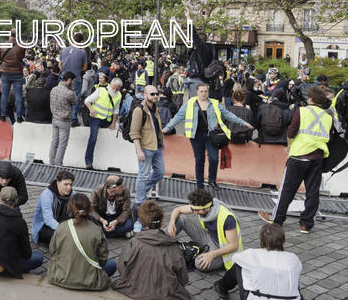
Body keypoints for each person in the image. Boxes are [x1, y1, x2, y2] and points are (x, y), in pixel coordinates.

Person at [259, 85, 333, 234]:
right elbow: (329, 136)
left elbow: (291, 131)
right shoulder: (328, 116)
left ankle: (277, 219)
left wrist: (290, 144)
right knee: (313, 191)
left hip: (299, 155)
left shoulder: (302, 111)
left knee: (287, 189)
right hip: (317, 157)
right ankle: (306, 224)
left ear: (310, 99)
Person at [163, 83, 252, 190]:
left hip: (211, 135)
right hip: (196, 136)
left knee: (214, 158)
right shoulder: (190, 103)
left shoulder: (214, 103)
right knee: (200, 160)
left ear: (208, 92)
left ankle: (212, 181)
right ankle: (200, 184)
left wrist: (243, 123)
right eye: (201, 91)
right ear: (197, 92)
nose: (204, 93)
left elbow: (228, 115)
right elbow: (178, 117)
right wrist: (167, 128)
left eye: (205, 91)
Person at [111, 200, 194, 300]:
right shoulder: (173, 247)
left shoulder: (134, 242)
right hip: (165, 296)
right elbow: (183, 278)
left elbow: (122, 267)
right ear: (162, 222)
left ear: (142, 222)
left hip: (133, 290)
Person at [167, 188, 243, 300]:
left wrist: (211, 255)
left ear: (207, 207)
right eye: (193, 209)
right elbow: (178, 210)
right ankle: (159, 240)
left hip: (223, 250)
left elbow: (233, 245)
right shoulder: (200, 207)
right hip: (209, 239)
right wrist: (171, 223)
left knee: (199, 264)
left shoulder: (227, 218)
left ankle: (206, 256)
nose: (195, 212)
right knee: (181, 219)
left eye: (197, 211)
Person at [229, 224, 302, 300]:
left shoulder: (252, 254)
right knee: (292, 275)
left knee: (239, 265)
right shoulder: (293, 258)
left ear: (261, 241)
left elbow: (235, 258)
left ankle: (221, 287)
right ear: (283, 241)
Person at [47, 193, 116, 290]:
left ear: (70, 209)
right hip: (89, 281)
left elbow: (52, 250)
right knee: (112, 264)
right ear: (89, 210)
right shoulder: (96, 230)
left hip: (60, 278)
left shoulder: (61, 226)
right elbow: (103, 259)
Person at [0, 186, 44, 277]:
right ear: (16, 201)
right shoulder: (19, 222)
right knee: (39, 257)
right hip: (1, 266)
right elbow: (27, 253)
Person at [130, 84, 165, 213]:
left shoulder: (155, 108)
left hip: (157, 147)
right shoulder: (139, 110)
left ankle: (142, 191)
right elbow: (134, 132)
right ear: (145, 95)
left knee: (160, 172)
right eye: (152, 94)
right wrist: (139, 150)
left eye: (157, 94)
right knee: (143, 175)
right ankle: (140, 202)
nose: (155, 96)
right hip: (145, 147)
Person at [83, 77, 123, 170]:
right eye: (114, 87)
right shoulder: (100, 90)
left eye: (117, 88)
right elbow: (87, 101)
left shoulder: (119, 95)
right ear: (111, 84)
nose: (115, 90)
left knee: (118, 130)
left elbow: (116, 110)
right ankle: (88, 162)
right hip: (96, 118)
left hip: (107, 120)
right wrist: (91, 109)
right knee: (93, 137)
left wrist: (113, 123)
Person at [32, 170, 75, 245]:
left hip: (64, 224)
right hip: (45, 227)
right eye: (66, 184)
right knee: (63, 238)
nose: (69, 187)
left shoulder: (73, 195)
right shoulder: (47, 195)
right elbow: (48, 219)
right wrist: (65, 231)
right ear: (58, 183)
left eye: (71, 184)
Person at [59, 33, 88, 126]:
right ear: (81, 41)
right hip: (76, 79)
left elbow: (60, 65)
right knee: (75, 98)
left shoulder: (64, 51)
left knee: (63, 97)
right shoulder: (82, 52)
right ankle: (73, 119)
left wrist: (64, 73)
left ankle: (62, 117)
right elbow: (85, 67)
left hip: (64, 78)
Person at [49, 71, 77, 165]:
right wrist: (73, 89)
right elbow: (75, 102)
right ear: (69, 80)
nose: (73, 83)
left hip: (54, 119)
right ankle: (58, 164)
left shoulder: (54, 89)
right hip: (64, 121)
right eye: (73, 81)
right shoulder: (69, 93)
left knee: (54, 142)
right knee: (62, 144)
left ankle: (51, 162)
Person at [0, 29, 26, 123]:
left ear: (9, 35)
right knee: (18, 95)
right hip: (17, 72)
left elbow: (0, 58)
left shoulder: (3, 45)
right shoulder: (21, 46)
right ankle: (19, 116)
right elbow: (22, 58)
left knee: (4, 95)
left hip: (5, 71)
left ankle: (2, 115)